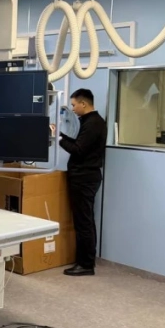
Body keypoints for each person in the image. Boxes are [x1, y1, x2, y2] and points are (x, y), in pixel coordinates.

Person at [55, 88, 107, 277]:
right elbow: (79, 143)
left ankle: (85, 264)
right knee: (85, 220)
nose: (73, 109)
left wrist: (59, 138)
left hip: (84, 178)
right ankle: (86, 260)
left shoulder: (93, 123)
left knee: (83, 222)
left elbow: (78, 149)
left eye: (74, 105)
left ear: (83, 104)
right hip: (83, 176)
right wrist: (60, 133)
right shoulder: (88, 122)